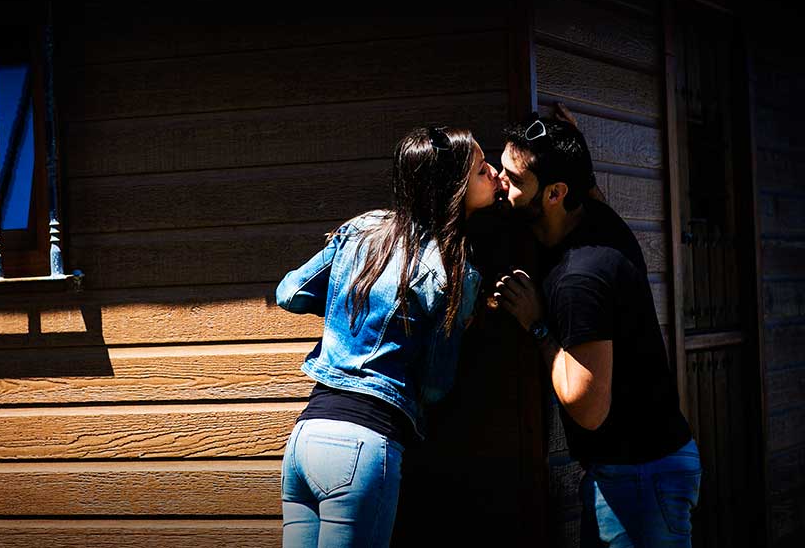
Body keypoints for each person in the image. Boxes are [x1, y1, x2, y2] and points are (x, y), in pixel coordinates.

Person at [275, 125, 501, 548]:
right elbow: (435, 385)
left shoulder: (364, 229)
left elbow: (288, 292)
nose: (493, 173)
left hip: (305, 436)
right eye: (480, 169)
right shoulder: (453, 272)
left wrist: (354, 304)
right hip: (363, 445)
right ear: (453, 187)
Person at [494, 114, 700, 547]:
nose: (499, 183)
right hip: (647, 468)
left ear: (554, 193)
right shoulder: (596, 215)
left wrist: (536, 326)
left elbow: (587, 407)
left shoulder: (579, 279)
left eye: (513, 179)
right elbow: (585, 184)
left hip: (638, 479)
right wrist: (566, 135)